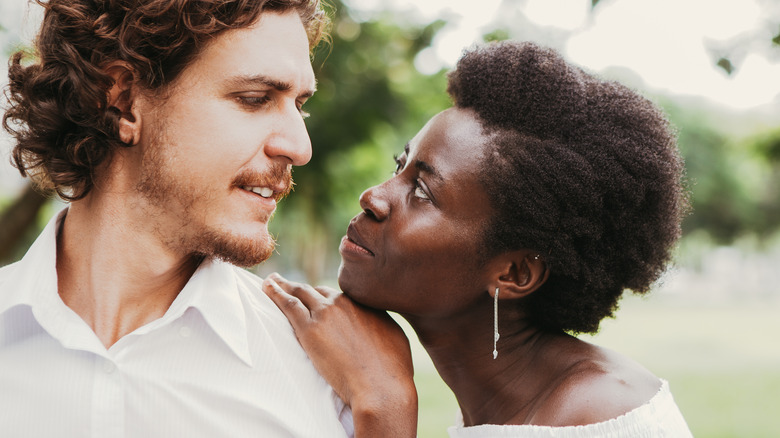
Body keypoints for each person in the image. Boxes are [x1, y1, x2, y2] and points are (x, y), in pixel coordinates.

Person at [0, 0, 416, 436]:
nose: (300, 146)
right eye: (255, 99)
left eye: (300, 105)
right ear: (123, 100)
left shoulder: (330, 380)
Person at [262, 41, 694, 437]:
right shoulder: (510, 404)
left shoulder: (596, 417)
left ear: (515, 273)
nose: (373, 196)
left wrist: (385, 405)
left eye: (423, 193)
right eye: (400, 166)